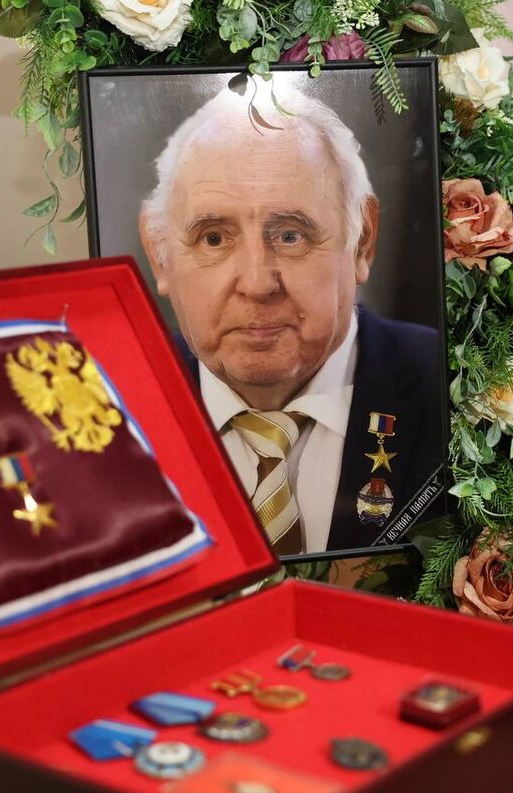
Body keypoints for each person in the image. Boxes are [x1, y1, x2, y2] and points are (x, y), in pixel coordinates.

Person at [138, 84, 444, 555]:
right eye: (214, 238)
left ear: (362, 240)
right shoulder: (106, 412)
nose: (257, 283)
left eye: (289, 235)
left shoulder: (453, 383)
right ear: (159, 255)